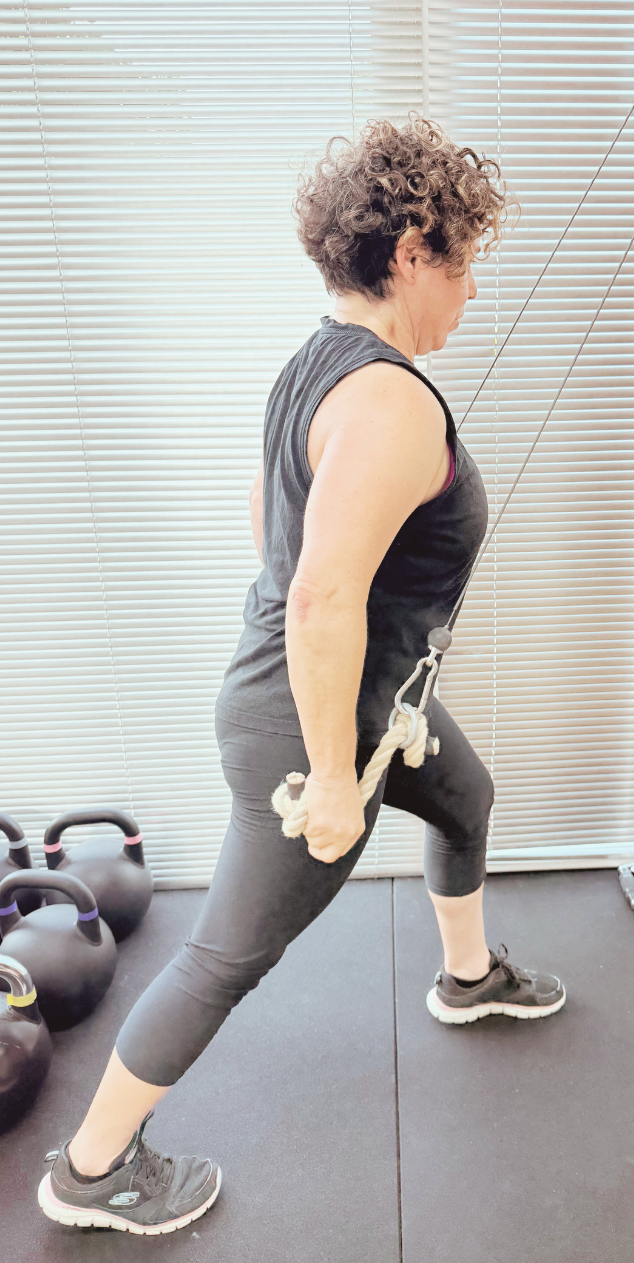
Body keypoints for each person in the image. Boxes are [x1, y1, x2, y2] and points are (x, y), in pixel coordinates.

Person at [37, 113, 566, 1236]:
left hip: (352, 703)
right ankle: (90, 1167)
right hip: (309, 733)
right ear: (414, 247)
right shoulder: (387, 397)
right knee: (226, 954)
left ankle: (466, 978)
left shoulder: (314, 369)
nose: (471, 291)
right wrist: (333, 772)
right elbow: (320, 594)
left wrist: (364, 684)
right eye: (463, 262)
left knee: (463, 793)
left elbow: (269, 522)